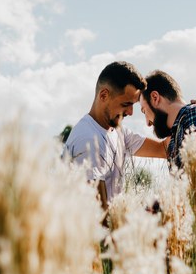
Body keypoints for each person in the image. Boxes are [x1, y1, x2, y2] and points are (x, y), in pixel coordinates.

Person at [64, 61, 168, 209]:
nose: (131, 112)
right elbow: (98, 214)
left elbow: (163, 149)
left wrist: (194, 111)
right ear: (104, 95)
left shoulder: (119, 133)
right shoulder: (88, 140)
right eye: (126, 104)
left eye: (133, 105)